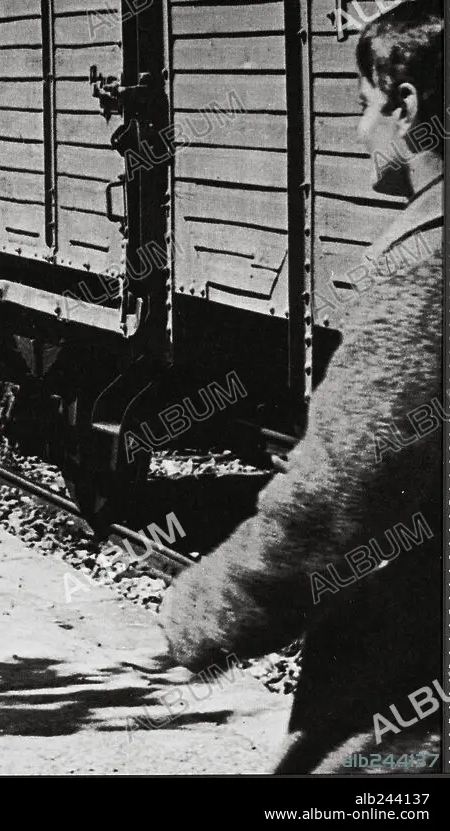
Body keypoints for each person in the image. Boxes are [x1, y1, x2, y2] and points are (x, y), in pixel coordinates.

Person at [156, 0, 443, 774]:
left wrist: (201, 614)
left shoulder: (422, 266)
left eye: (363, 104)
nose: (358, 129)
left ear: (407, 106)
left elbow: (337, 492)